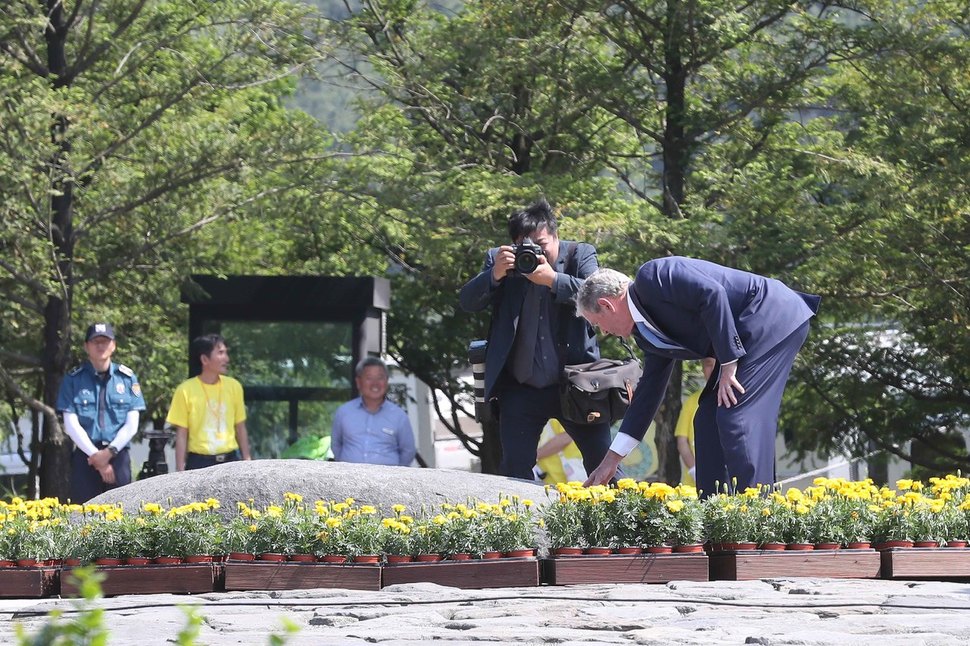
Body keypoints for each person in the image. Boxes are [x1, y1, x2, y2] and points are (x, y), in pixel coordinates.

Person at [575, 257, 820, 496]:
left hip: (771, 316)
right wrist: (611, 460)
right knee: (706, 420)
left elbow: (712, 294)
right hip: (745, 336)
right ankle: (715, 515)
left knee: (736, 417)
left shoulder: (653, 276)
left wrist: (727, 362)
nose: (605, 332)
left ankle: (758, 517)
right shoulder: (646, 336)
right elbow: (647, 396)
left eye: (599, 324)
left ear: (607, 305)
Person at [459, 198, 614, 480]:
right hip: (522, 387)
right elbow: (467, 302)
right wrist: (493, 276)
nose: (534, 253)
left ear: (556, 236)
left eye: (541, 245)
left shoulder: (580, 255)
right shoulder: (499, 260)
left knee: (605, 465)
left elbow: (599, 296)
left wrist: (553, 279)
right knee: (515, 471)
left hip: (577, 383)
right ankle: (525, 524)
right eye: (524, 247)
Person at [56, 323, 146, 503]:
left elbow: (132, 424)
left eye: (105, 341)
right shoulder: (73, 379)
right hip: (86, 457)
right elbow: (71, 425)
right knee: (82, 514)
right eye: (95, 341)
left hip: (118, 456)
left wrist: (109, 453)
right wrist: (96, 457)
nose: (100, 346)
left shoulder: (128, 378)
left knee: (122, 513)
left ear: (113, 345)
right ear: (86, 346)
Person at [166, 334, 251, 470]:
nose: (226, 359)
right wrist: (180, 471)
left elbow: (240, 427)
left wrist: (247, 460)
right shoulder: (185, 390)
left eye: (226, 353)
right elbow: (182, 434)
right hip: (199, 461)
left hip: (230, 460)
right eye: (220, 353)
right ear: (205, 359)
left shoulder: (234, 386)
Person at [331, 357, 416, 466]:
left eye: (380, 378)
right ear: (358, 382)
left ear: (386, 381)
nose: (375, 383)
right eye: (369, 378)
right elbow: (336, 446)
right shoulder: (344, 412)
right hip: (349, 479)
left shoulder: (399, 416)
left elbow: (408, 451)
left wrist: (395, 474)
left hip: (387, 481)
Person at [674, 357, 717, 487]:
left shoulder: (734, 399)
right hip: (692, 486)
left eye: (717, 365)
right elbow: (682, 441)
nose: (713, 370)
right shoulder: (692, 401)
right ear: (703, 369)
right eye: (708, 365)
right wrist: (694, 470)